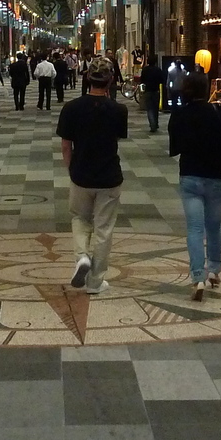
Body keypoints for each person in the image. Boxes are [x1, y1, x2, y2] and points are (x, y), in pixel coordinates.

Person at [168, 71, 221, 300]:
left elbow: (175, 147)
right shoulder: (219, 110)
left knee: (194, 229)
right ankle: (214, 269)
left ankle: (197, 277)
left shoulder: (180, 114)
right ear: (206, 89)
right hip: (216, 176)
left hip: (190, 175)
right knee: (214, 225)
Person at [56, 57, 128, 293]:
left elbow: (66, 145)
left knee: (79, 218)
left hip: (81, 173)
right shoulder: (119, 110)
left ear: (87, 77)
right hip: (109, 175)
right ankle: (96, 282)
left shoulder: (71, 108)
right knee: (104, 228)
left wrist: (71, 169)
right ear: (111, 81)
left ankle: (81, 257)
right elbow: (115, 139)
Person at [138, 56, 162, 133]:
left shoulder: (145, 70)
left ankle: (152, 124)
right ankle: (155, 123)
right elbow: (162, 79)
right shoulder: (158, 70)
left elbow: (142, 80)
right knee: (155, 109)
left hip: (147, 91)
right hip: (156, 90)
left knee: (149, 109)